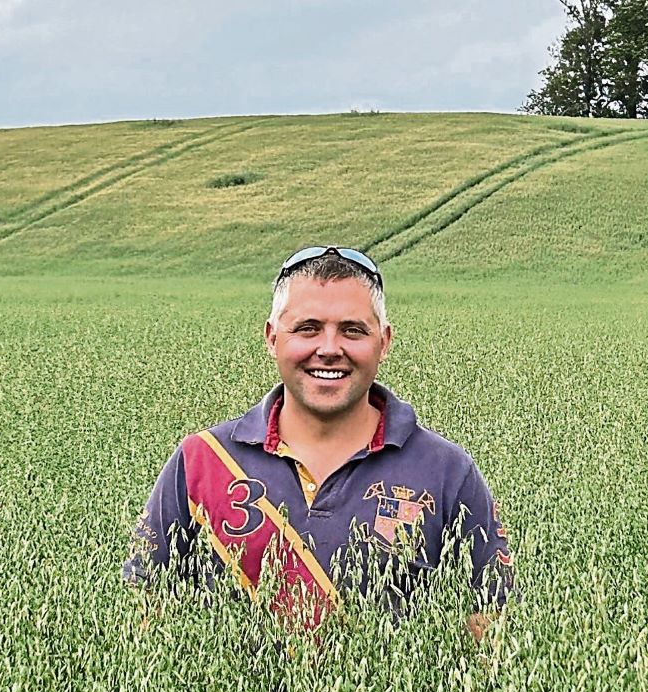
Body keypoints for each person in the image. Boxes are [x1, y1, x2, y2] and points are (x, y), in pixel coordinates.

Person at [122, 246, 515, 639]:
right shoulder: (201, 460)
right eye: (307, 328)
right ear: (272, 338)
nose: (329, 349)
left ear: (384, 341)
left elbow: (488, 627)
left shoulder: (447, 471)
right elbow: (146, 610)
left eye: (352, 330)